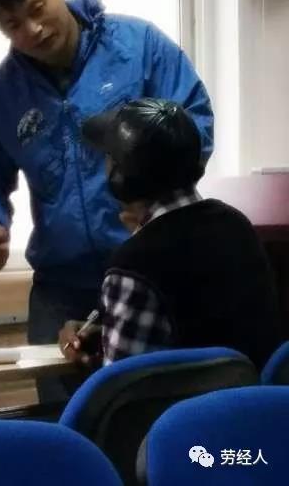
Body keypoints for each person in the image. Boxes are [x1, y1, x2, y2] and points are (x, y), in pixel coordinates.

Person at [0, 0, 215, 372]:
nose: (34, 29)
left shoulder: (139, 47)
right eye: (13, 24)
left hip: (158, 270)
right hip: (62, 289)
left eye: (37, 8)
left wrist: (153, 198)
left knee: (160, 396)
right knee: (65, 409)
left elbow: (194, 125)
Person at [59, 98, 281, 370]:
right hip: (260, 396)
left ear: (119, 176)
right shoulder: (237, 225)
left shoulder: (133, 265)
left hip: (188, 400)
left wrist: (95, 356)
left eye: (108, 157)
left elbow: (123, 388)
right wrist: (110, 333)